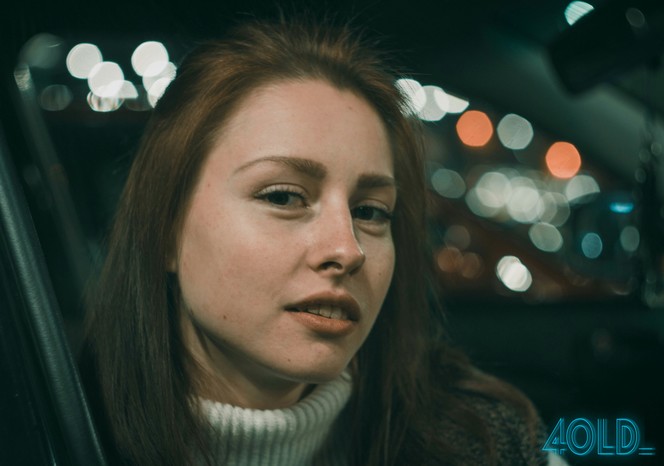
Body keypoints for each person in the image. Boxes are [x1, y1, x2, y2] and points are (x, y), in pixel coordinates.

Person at [81, 14, 552, 466]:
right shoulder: (60, 426)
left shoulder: (483, 439)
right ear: (166, 228)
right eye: (283, 197)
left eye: (370, 212)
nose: (347, 250)